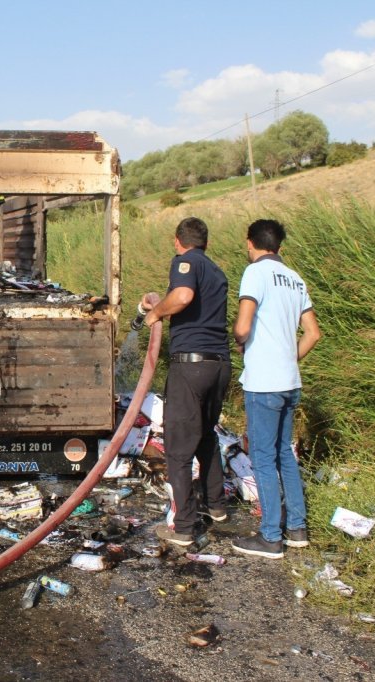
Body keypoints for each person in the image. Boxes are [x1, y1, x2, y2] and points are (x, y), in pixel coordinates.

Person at [231, 219, 321, 559]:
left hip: (264, 381)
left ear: (250, 243)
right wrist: (289, 357)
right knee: (285, 454)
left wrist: (242, 341)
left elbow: (243, 325)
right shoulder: (295, 279)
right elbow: (313, 333)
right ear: (279, 246)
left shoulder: (255, 272)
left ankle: (270, 536)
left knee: (263, 458)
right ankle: (296, 528)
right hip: (289, 380)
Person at [141, 216, 231, 547]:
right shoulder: (217, 271)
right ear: (206, 242)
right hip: (219, 365)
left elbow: (181, 297)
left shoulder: (184, 262)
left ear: (178, 240)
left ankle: (183, 526)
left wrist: (155, 313)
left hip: (190, 366)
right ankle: (216, 505)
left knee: (178, 448)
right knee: (206, 435)